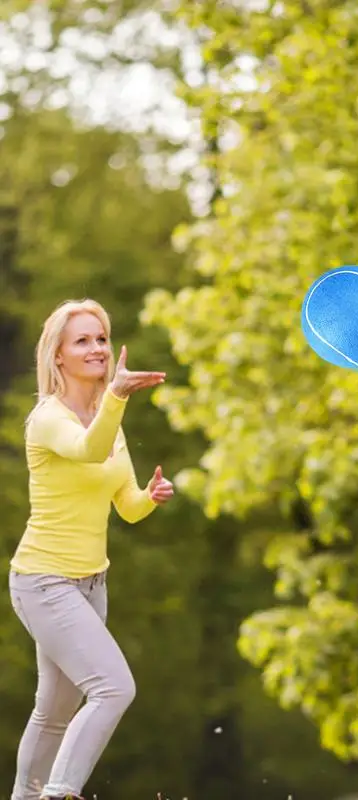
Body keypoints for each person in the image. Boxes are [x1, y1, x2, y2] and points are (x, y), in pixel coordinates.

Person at [8, 299, 175, 800]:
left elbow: (124, 505)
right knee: (113, 688)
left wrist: (149, 496)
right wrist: (118, 398)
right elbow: (88, 450)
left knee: (55, 711)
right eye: (83, 340)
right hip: (43, 581)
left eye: (101, 338)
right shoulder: (47, 419)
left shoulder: (108, 419)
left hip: (90, 586)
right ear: (57, 356)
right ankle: (59, 793)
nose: (97, 348)